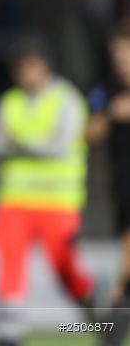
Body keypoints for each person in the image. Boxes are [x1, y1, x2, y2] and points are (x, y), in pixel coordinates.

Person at [0, 38, 96, 346]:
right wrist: (22, 145)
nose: (26, 74)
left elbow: (60, 146)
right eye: (21, 68)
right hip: (14, 199)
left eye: (31, 66)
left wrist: (18, 143)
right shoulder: (10, 101)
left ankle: (100, 315)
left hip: (57, 201)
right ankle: (8, 335)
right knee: (9, 265)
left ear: (45, 67)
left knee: (66, 270)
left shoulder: (67, 100)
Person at [88, 23, 130, 346]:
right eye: (118, 58)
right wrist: (110, 115)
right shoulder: (105, 88)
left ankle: (113, 330)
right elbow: (90, 133)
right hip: (123, 184)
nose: (122, 64)